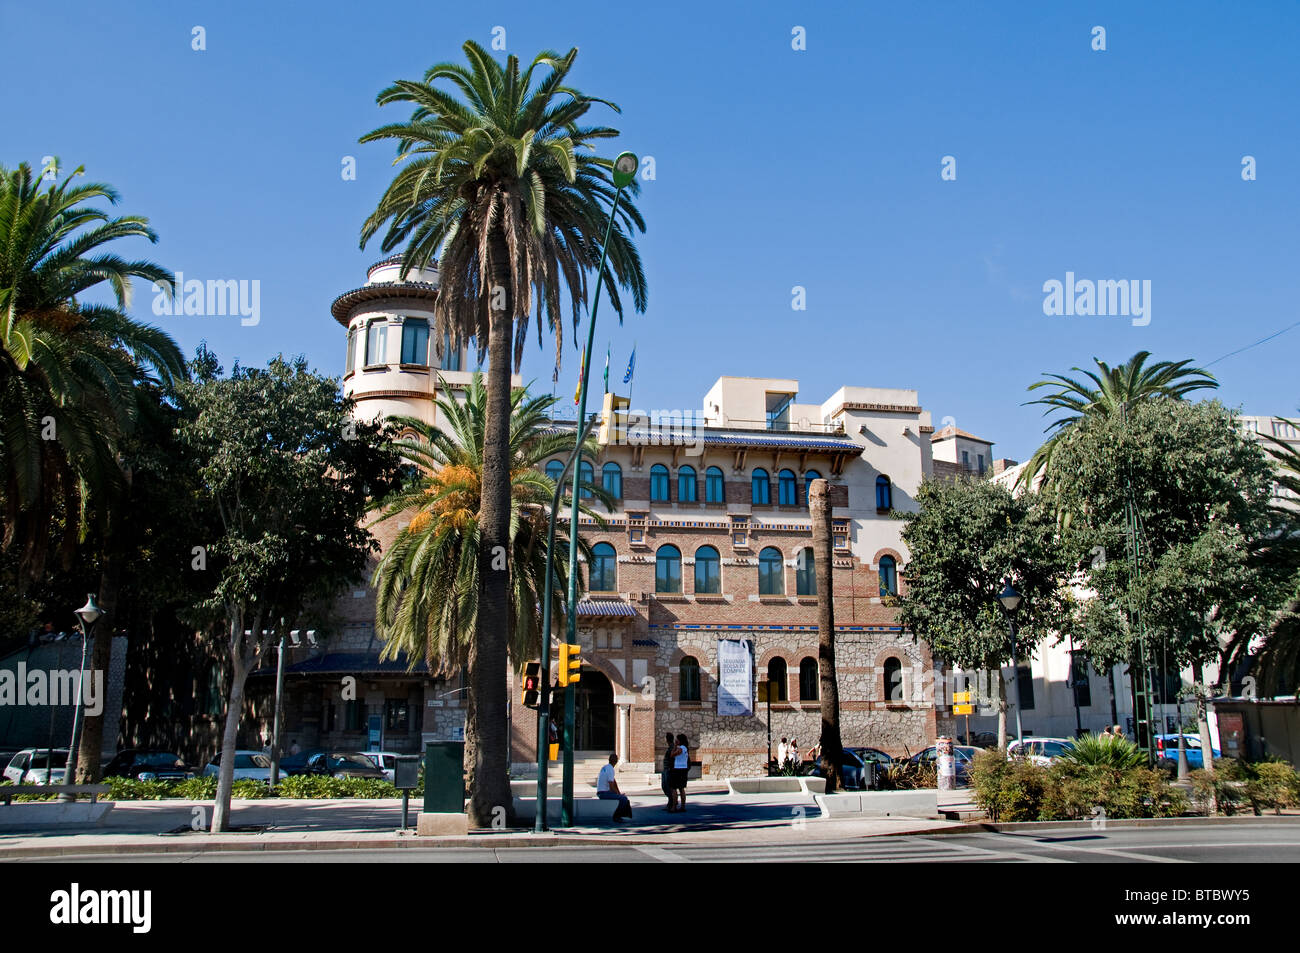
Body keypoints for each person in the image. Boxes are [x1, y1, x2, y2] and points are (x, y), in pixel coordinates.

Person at [596, 753, 632, 822]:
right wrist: (619, 795)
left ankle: (622, 815)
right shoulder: (610, 769)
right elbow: (611, 786)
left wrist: (618, 792)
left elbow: (614, 782)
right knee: (624, 799)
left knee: (622, 797)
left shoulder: (606, 767)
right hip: (603, 793)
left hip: (601, 792)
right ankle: (617, 816)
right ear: (616, 762)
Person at [672, 733, 690, 810]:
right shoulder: (685, 748)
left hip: (678, 769)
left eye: (677, 739)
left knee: (674, 788)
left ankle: (674, 806)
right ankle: (683, 806)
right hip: (684, 768)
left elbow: (672, 755)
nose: (676, 740)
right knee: (681, 788)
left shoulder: (681, 748)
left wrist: (675, 746)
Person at [662, 732, 678, 811]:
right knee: (665, 786)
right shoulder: (670, 747)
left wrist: (670, 768)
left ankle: (672, 803)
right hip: (666, 769)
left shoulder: (672, 747)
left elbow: (672, 758)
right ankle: (670, 802)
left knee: (668, 787)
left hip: (668, 769)